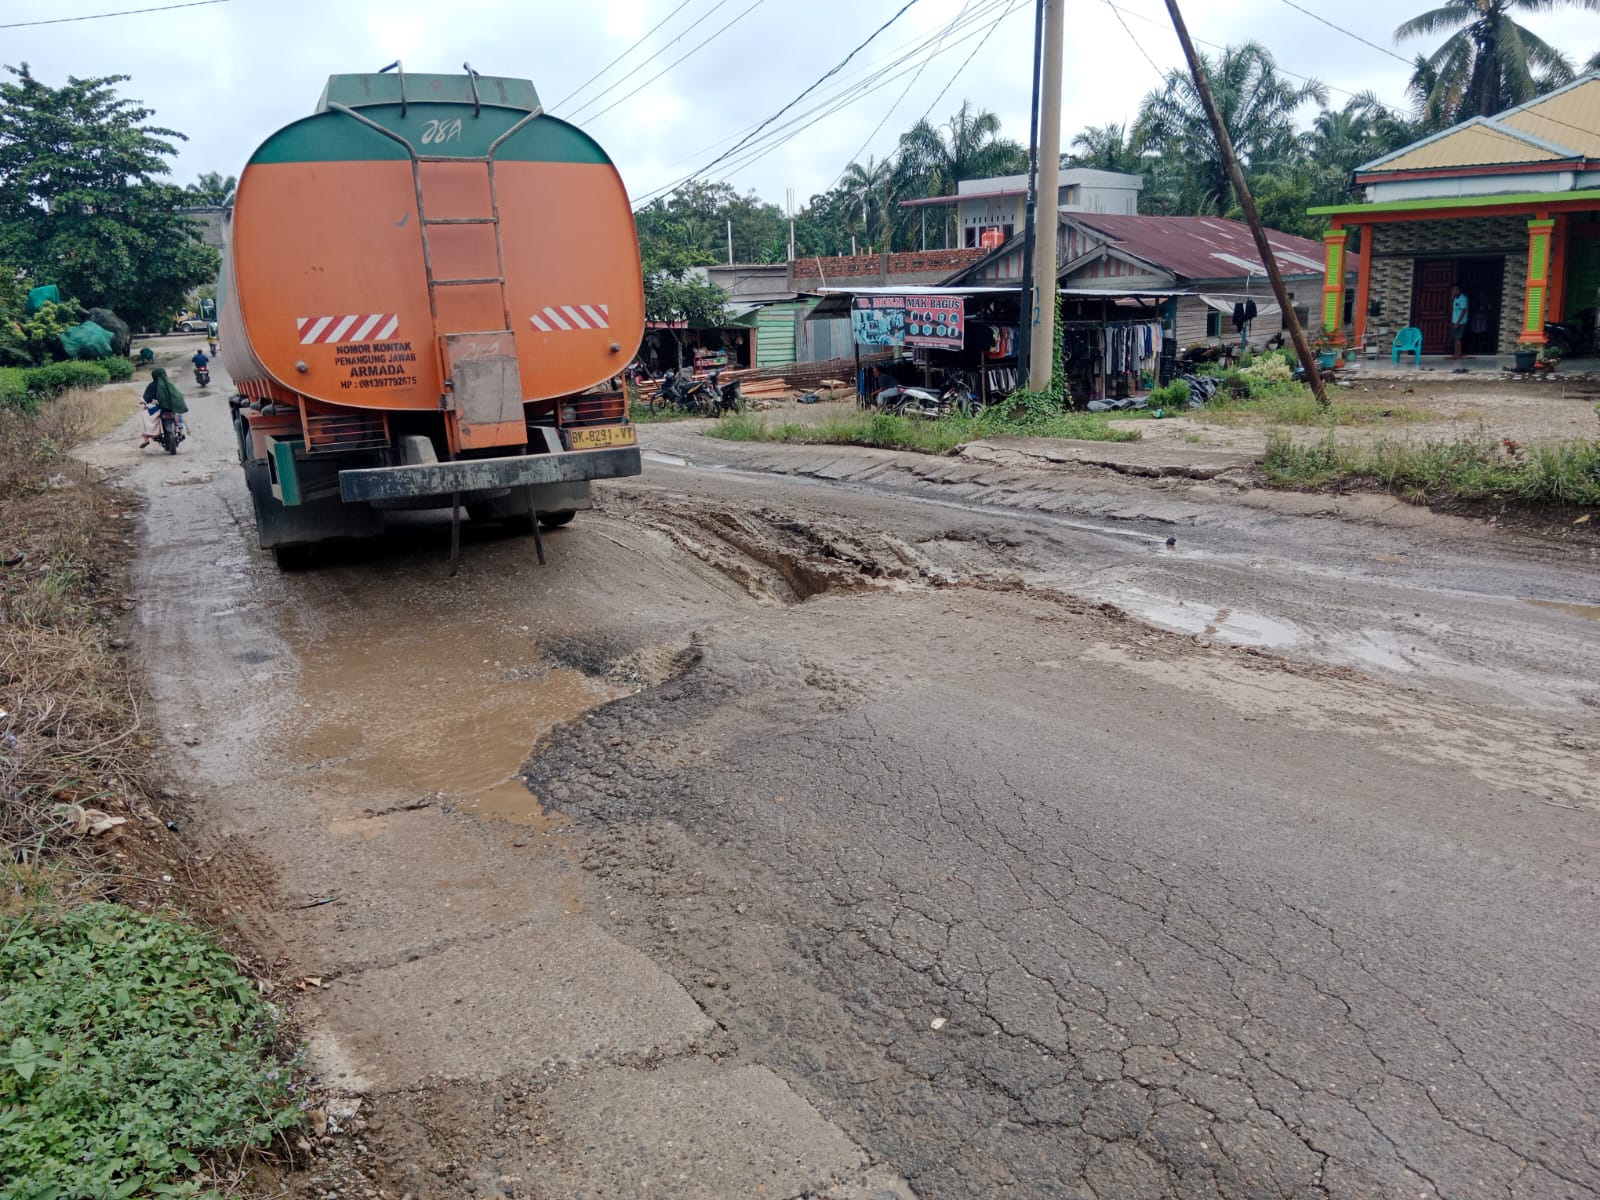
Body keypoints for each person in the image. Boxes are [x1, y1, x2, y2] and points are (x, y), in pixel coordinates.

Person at [142, 367, 188, 445]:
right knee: (178, 415)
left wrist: (147, 403)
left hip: (160, 409)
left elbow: (146, 399)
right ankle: (181, 431)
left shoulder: (152, 386)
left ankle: (148, 436)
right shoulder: (170, 383)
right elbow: (178, 396)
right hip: (172, 408)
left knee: (145, 414)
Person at [1450, 285, 1468, 359]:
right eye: (1453, 290)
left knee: (1458, 338)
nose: (1455, 291)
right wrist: (1452, 296)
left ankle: (1459, 354)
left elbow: (1463, 310)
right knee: (1455, 337)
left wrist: (1458, 322)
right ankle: (1455, 353)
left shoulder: (1463, 298)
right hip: (1454, 320)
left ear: (1459, 290)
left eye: (1456, 289)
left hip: (1460, 321)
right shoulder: (1455, 298)